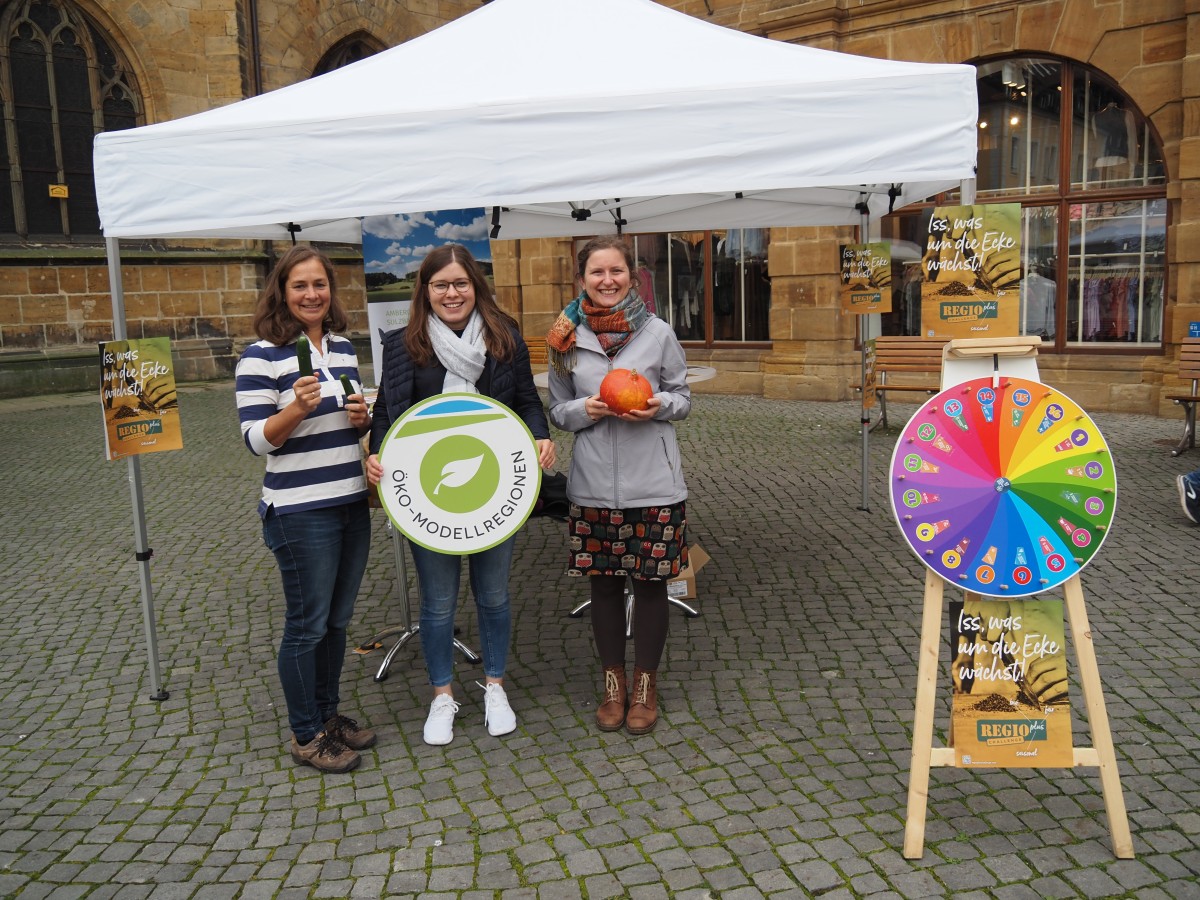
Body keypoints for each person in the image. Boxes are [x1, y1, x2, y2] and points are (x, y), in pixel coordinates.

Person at [365, 244, 555, 746]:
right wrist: (378, 452)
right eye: (441, 285)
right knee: (438, 603)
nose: (452, 293)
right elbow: (387, 413)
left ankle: (495, 686)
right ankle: (442, 696)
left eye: (461, 283)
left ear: (476, 286)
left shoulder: (503, 334)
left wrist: (541, 436)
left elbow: (528, 402)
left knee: (493, 596)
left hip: (494, 491)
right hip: (429, 496)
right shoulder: (402, 343)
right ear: (425, 291)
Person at [235, 245, 375, 774]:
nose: (312, 294)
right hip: (299, 512)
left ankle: (327, 714)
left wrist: (362, 417)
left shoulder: (341, 347)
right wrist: (295, 407)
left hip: (348, 501)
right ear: (282, 291)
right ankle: (305, 733)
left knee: (337, 622)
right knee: (307, 624)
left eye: (320, 284)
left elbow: (350, 426)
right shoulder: (261, 354)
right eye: (300, 286)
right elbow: (255, 440)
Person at [546, 236, 692, 735]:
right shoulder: (565, 339)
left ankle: (645, 686)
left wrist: (661, 406)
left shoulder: (658, 332)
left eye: (617, 272)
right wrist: (581, 411)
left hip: (654, 483)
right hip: (591, 487)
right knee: (604, 588)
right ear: (581, 280)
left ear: (633, 276)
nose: (607, 281)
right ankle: (613, 684)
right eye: (596, 273)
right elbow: (557, 408)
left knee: (651, 587)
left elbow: (682, 395)